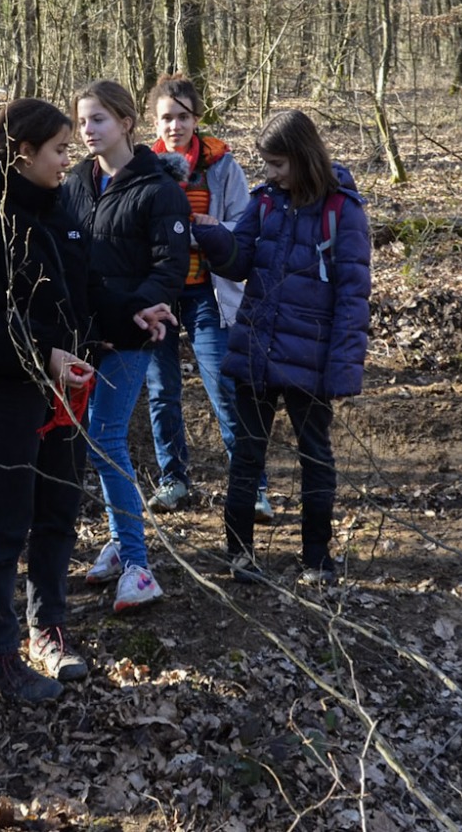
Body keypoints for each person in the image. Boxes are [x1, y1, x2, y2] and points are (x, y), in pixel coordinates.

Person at [0, 98, 108, 703]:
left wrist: (133, 313)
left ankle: (47, 629)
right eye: (60, 149)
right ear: (22, 153)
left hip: (70, 393)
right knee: (6, 526)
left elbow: (86, 290)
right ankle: (0, 653)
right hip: (13, 395)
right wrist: (43, 354)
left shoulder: (60, 210)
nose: (71, 158)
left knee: (59, 512)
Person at [191, 110, 372, 587]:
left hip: (310, 362)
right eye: (266, 165)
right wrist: (209, 233)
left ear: (303, 157)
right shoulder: (266, 202)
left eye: (277, 164)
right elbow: (238, 261)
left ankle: (317, 559)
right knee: (247, 455)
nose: (269, 174)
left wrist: (343, 370)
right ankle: (240, 555)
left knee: (315, 455)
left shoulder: (343, 211)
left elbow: (353, 298)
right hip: (255, 350)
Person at [59, 80, 184, 612]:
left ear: (128, 123)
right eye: (83, 122)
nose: (88, 131)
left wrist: (141, 309)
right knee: (97, 440)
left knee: (106, 437)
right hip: (81, 334)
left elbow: (170, 267)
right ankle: (118, 540)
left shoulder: (159, 190)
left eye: (99, 121)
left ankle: (138, 565)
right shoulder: (73, 184)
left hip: (134, 335)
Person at [140, 74, 268, 520]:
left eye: (182, 117)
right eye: (165, 119)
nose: (173, 126)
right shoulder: (143, 166)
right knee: (161, 391)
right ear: (153, 123)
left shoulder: (222, 165)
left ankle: (252, 487)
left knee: (224, 387)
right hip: (158, 297)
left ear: (197, 118)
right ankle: (173, 480)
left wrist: (210, 229)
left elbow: (245, 226)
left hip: (207, 294)